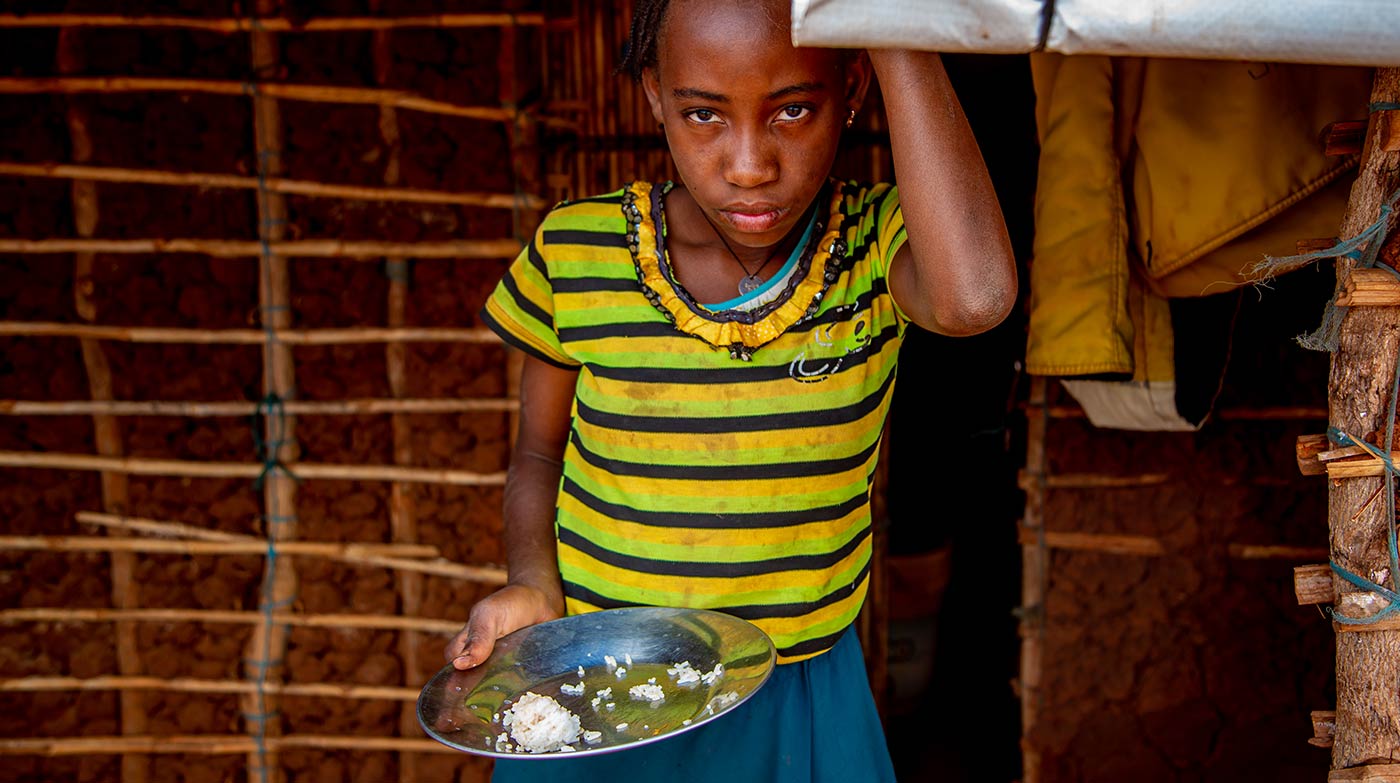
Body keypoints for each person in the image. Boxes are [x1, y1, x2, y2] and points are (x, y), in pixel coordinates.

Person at [446, 0, 1016, 779]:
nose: (750, 164)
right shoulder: (577, 252)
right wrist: (532, 582)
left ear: (852, 87)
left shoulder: (873, 249)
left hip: (798, 689)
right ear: (653, 94)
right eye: (704, 115)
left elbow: (974, 298)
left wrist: (892, 36)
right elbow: (539, 454)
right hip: (597, 688)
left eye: (793, 110)